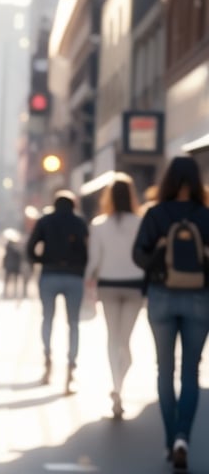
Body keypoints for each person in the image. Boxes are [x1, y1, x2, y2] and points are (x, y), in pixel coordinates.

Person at [133, 155, 209, 473]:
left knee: (164, 370)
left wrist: (161, 253)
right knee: (190, 372)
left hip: (162, 296)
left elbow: (138, 256)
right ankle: (182, 438)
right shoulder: (206, 216)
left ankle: (169, 443)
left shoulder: (156, 214)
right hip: (199, 298)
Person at [84, 173, 145, 419]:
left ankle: (115, 385)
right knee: (126, 341)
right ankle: (120, 386)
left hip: (108, 285)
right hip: (134, 285)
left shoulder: (99, 224)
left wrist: (87, 281)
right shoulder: (140, 223)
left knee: (112, 338)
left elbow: (93, 261)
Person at [27, 188, 89, 392]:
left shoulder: (45, 221)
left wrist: (42, 260)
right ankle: (71, 369)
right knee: (73, 323)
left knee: (47, 319)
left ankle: (48, 360)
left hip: (50, 274)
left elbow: (30, 248)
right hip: (74, 276)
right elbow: (88, 251)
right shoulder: (80, 223)